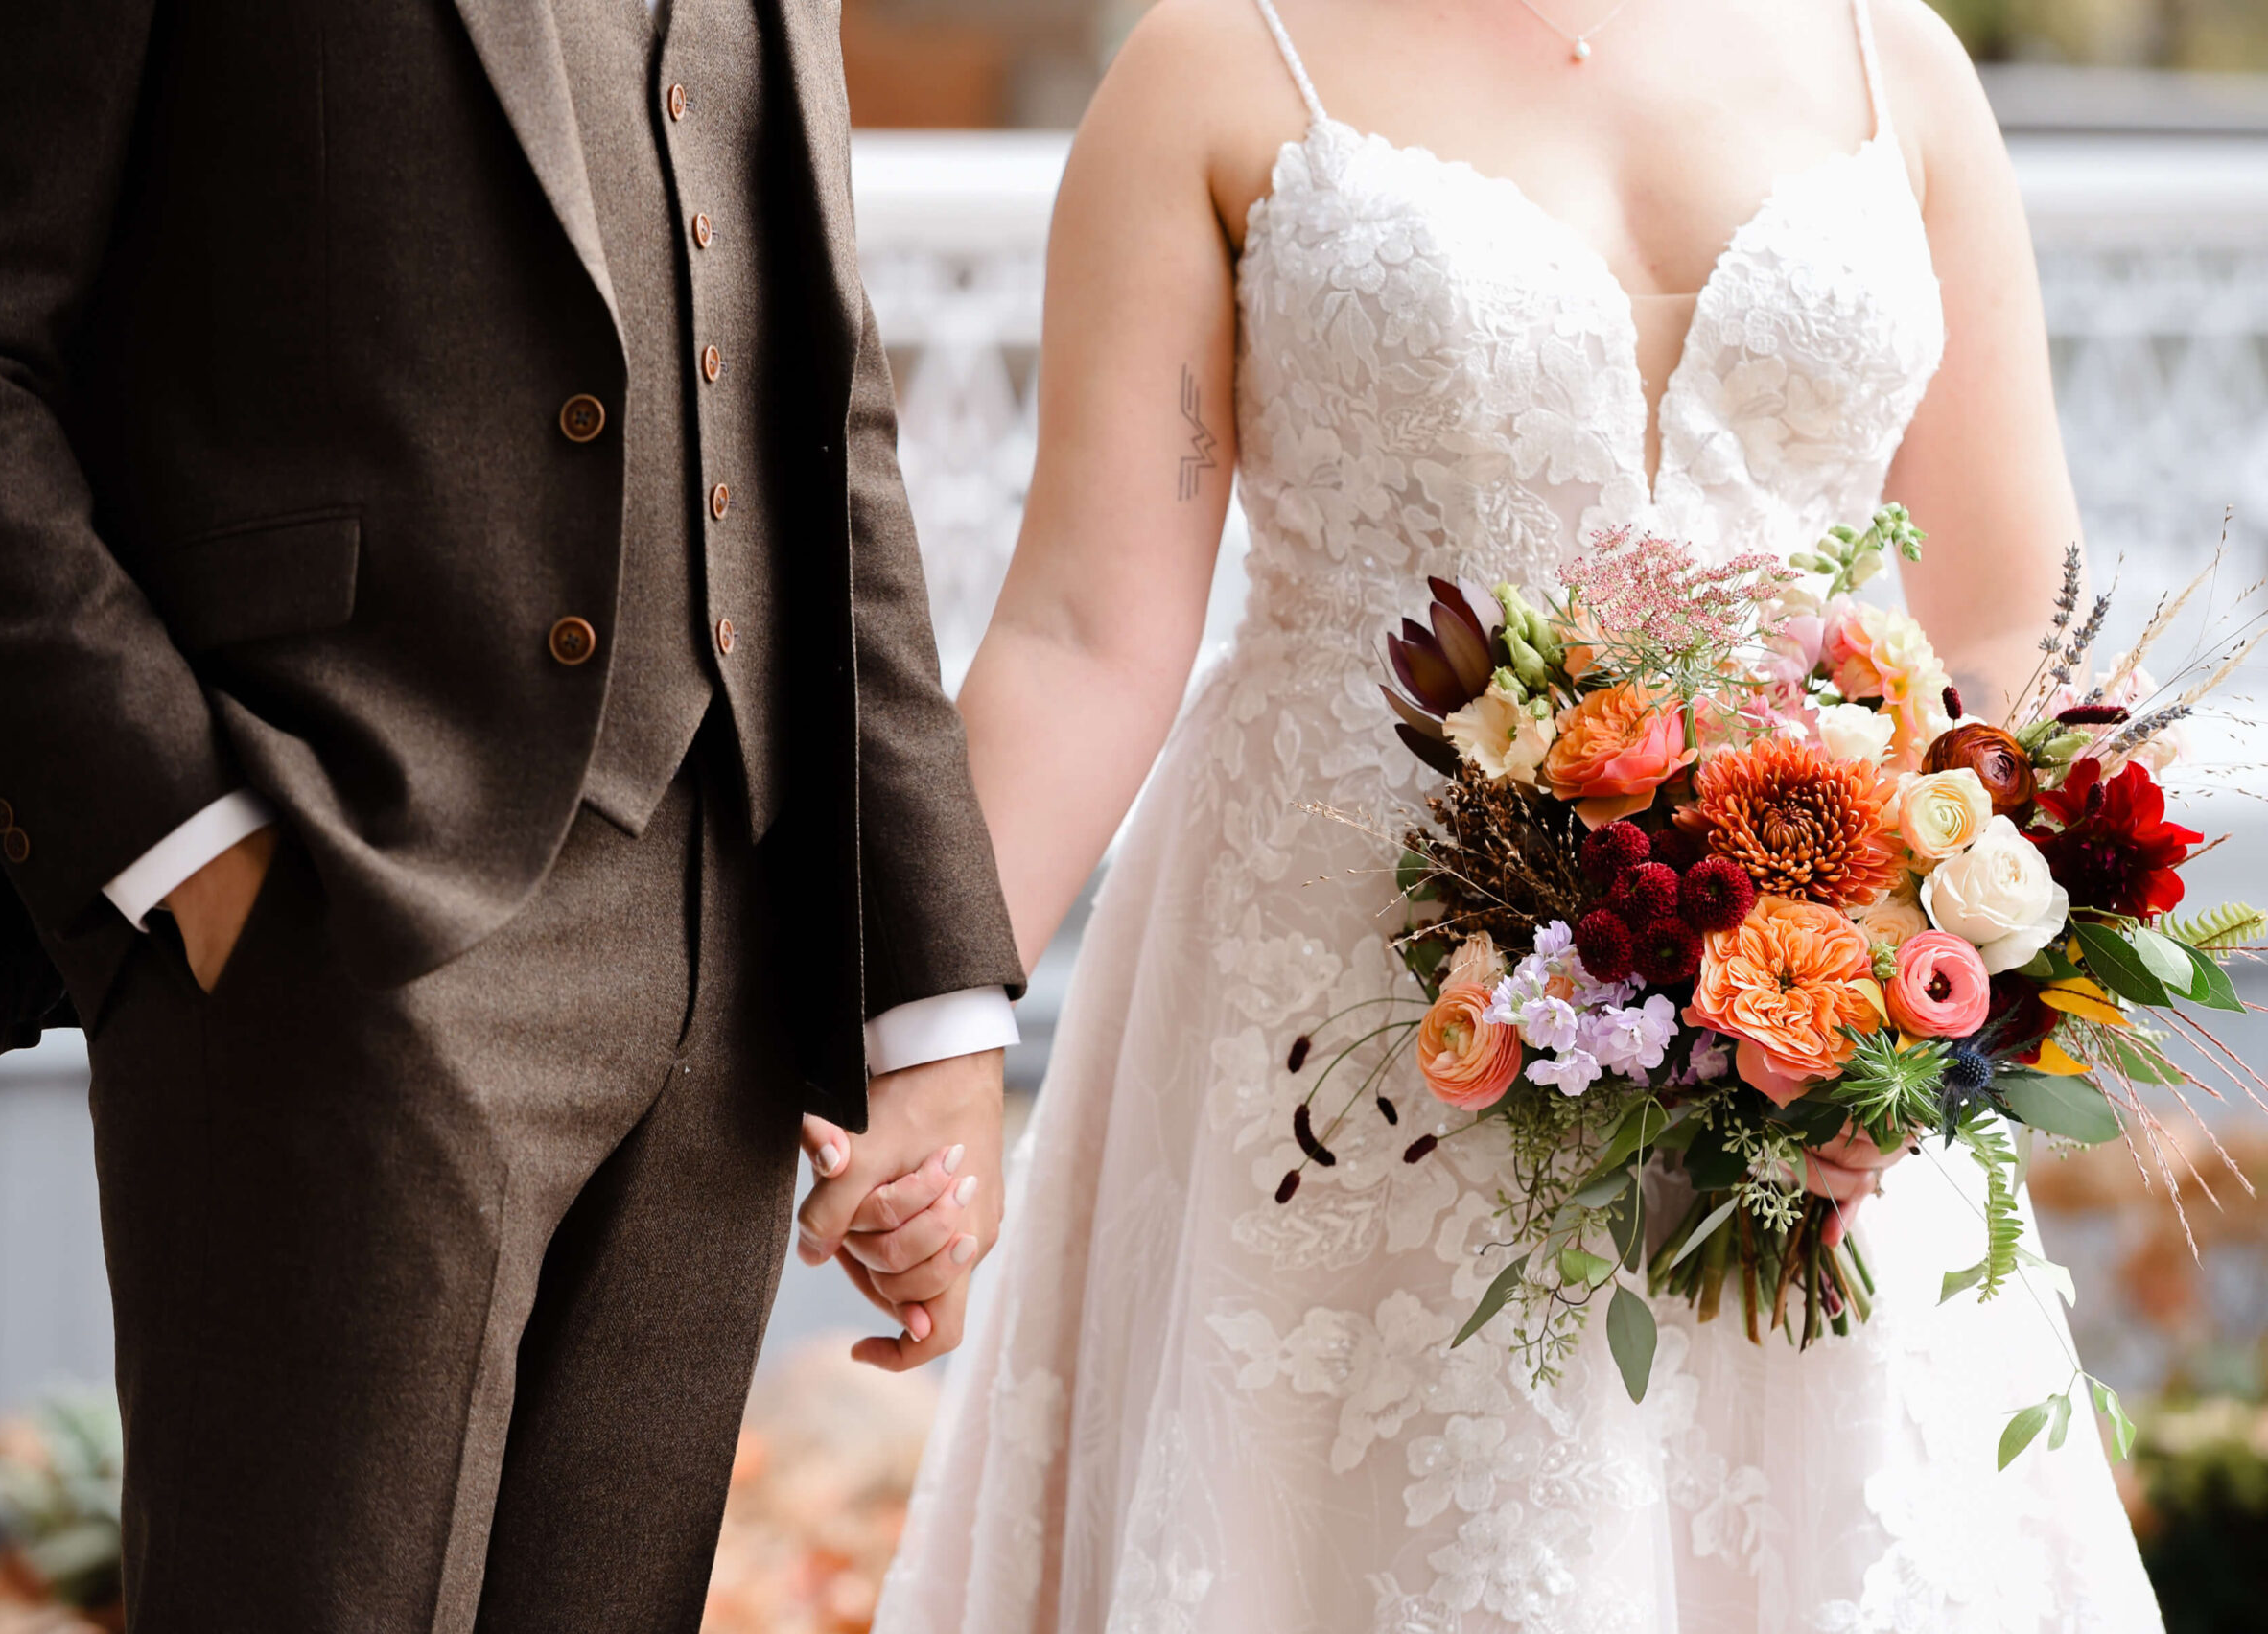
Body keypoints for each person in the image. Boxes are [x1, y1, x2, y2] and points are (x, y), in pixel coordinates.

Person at [865, 0, 2167, 1627]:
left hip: (1831, 1031)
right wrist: (930, 1041)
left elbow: (2007, 622)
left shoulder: (1886, 55)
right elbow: (1080, 632)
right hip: (1351, 1038)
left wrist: (1928, 1008)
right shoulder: (1217, 62)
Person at [0, 0, 1017, 1626]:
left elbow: (820, 399)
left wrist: (930, 999)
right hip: (331, 921)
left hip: (723, 943)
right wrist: (193, 855)